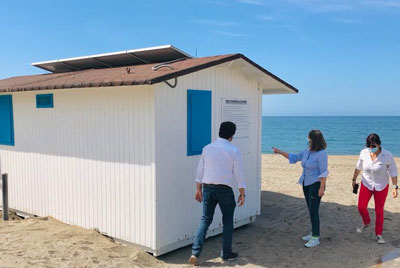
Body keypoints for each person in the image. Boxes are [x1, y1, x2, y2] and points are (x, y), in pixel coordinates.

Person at [188, 121, 246, 265]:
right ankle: (226, 254)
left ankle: (195, 253)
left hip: (207, 188)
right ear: (232, 135)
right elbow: (239, 175)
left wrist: (198, 189)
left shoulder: (207, 148)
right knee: (227, 221)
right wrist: (242, 193)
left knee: (205, 219)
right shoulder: (234, 151)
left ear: (219, 132)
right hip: (224, 190)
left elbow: (200, 171)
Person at [272, 129, 328, 248]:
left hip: (316, 184)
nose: (307, 140)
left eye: (309, 138)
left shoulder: (321, 153)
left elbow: (324, 172)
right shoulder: (308, 150)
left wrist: (321, 188)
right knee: (310, 209)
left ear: (314, 140)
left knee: (314, 211)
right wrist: (280, 152)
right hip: (305, 183)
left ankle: (315, 238)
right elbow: (295, 157)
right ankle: (313, 232)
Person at [352, 133, 398, 244]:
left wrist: (395, 187)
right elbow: (358, 167)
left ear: (379, 144)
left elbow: (393, 172)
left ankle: (378, 234)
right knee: (361, 207)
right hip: (366, 184)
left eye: (374, 146)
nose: (371, 148)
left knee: (379, 211)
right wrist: (353, 180)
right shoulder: (364, 153)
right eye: (370, 146)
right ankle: (366, 222)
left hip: (381, 185)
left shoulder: (387, 155)